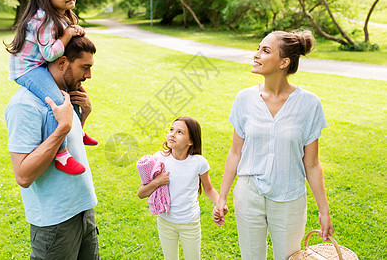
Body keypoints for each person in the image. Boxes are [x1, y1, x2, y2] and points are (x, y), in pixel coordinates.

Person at [213, 30, 334, 260]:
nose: (256, 55)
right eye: (258, 48)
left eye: (265, 50)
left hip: (289, 198)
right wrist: (222, 197)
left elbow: (312, 164)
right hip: (249, 195)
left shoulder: (309, 104)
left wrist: (324, 210)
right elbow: (235, 152)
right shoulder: (244, 99)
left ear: (284, 62)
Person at [5, 36, 100, 259]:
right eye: (84, 68)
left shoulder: (64, 96)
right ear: (61, 62)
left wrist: (81, 118)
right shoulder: (24, 105)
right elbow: (23, 175)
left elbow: (66, 148)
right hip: (55, 222)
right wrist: (62, 128)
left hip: (83, 211)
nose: (88, 76)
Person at [5, 0, 97, 176]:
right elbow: (49, 53)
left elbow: (65, 39)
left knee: (73, 91)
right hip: (28, 69)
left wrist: (74, 30)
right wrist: (66, 35)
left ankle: (78, 130)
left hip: (38, 65)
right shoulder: (43, 19)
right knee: (55, 101)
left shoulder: (59, 16)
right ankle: (61, 154)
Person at [138, 117, 225, 260]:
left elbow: (208, 189)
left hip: (189, 223)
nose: (172, 134)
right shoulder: (159, 159)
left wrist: (220, 204)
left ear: (190, 141)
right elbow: (141, 193)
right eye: (171, 129)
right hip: (166, 222)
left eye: (179, 132)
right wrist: (157, 182)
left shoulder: (199, 163)